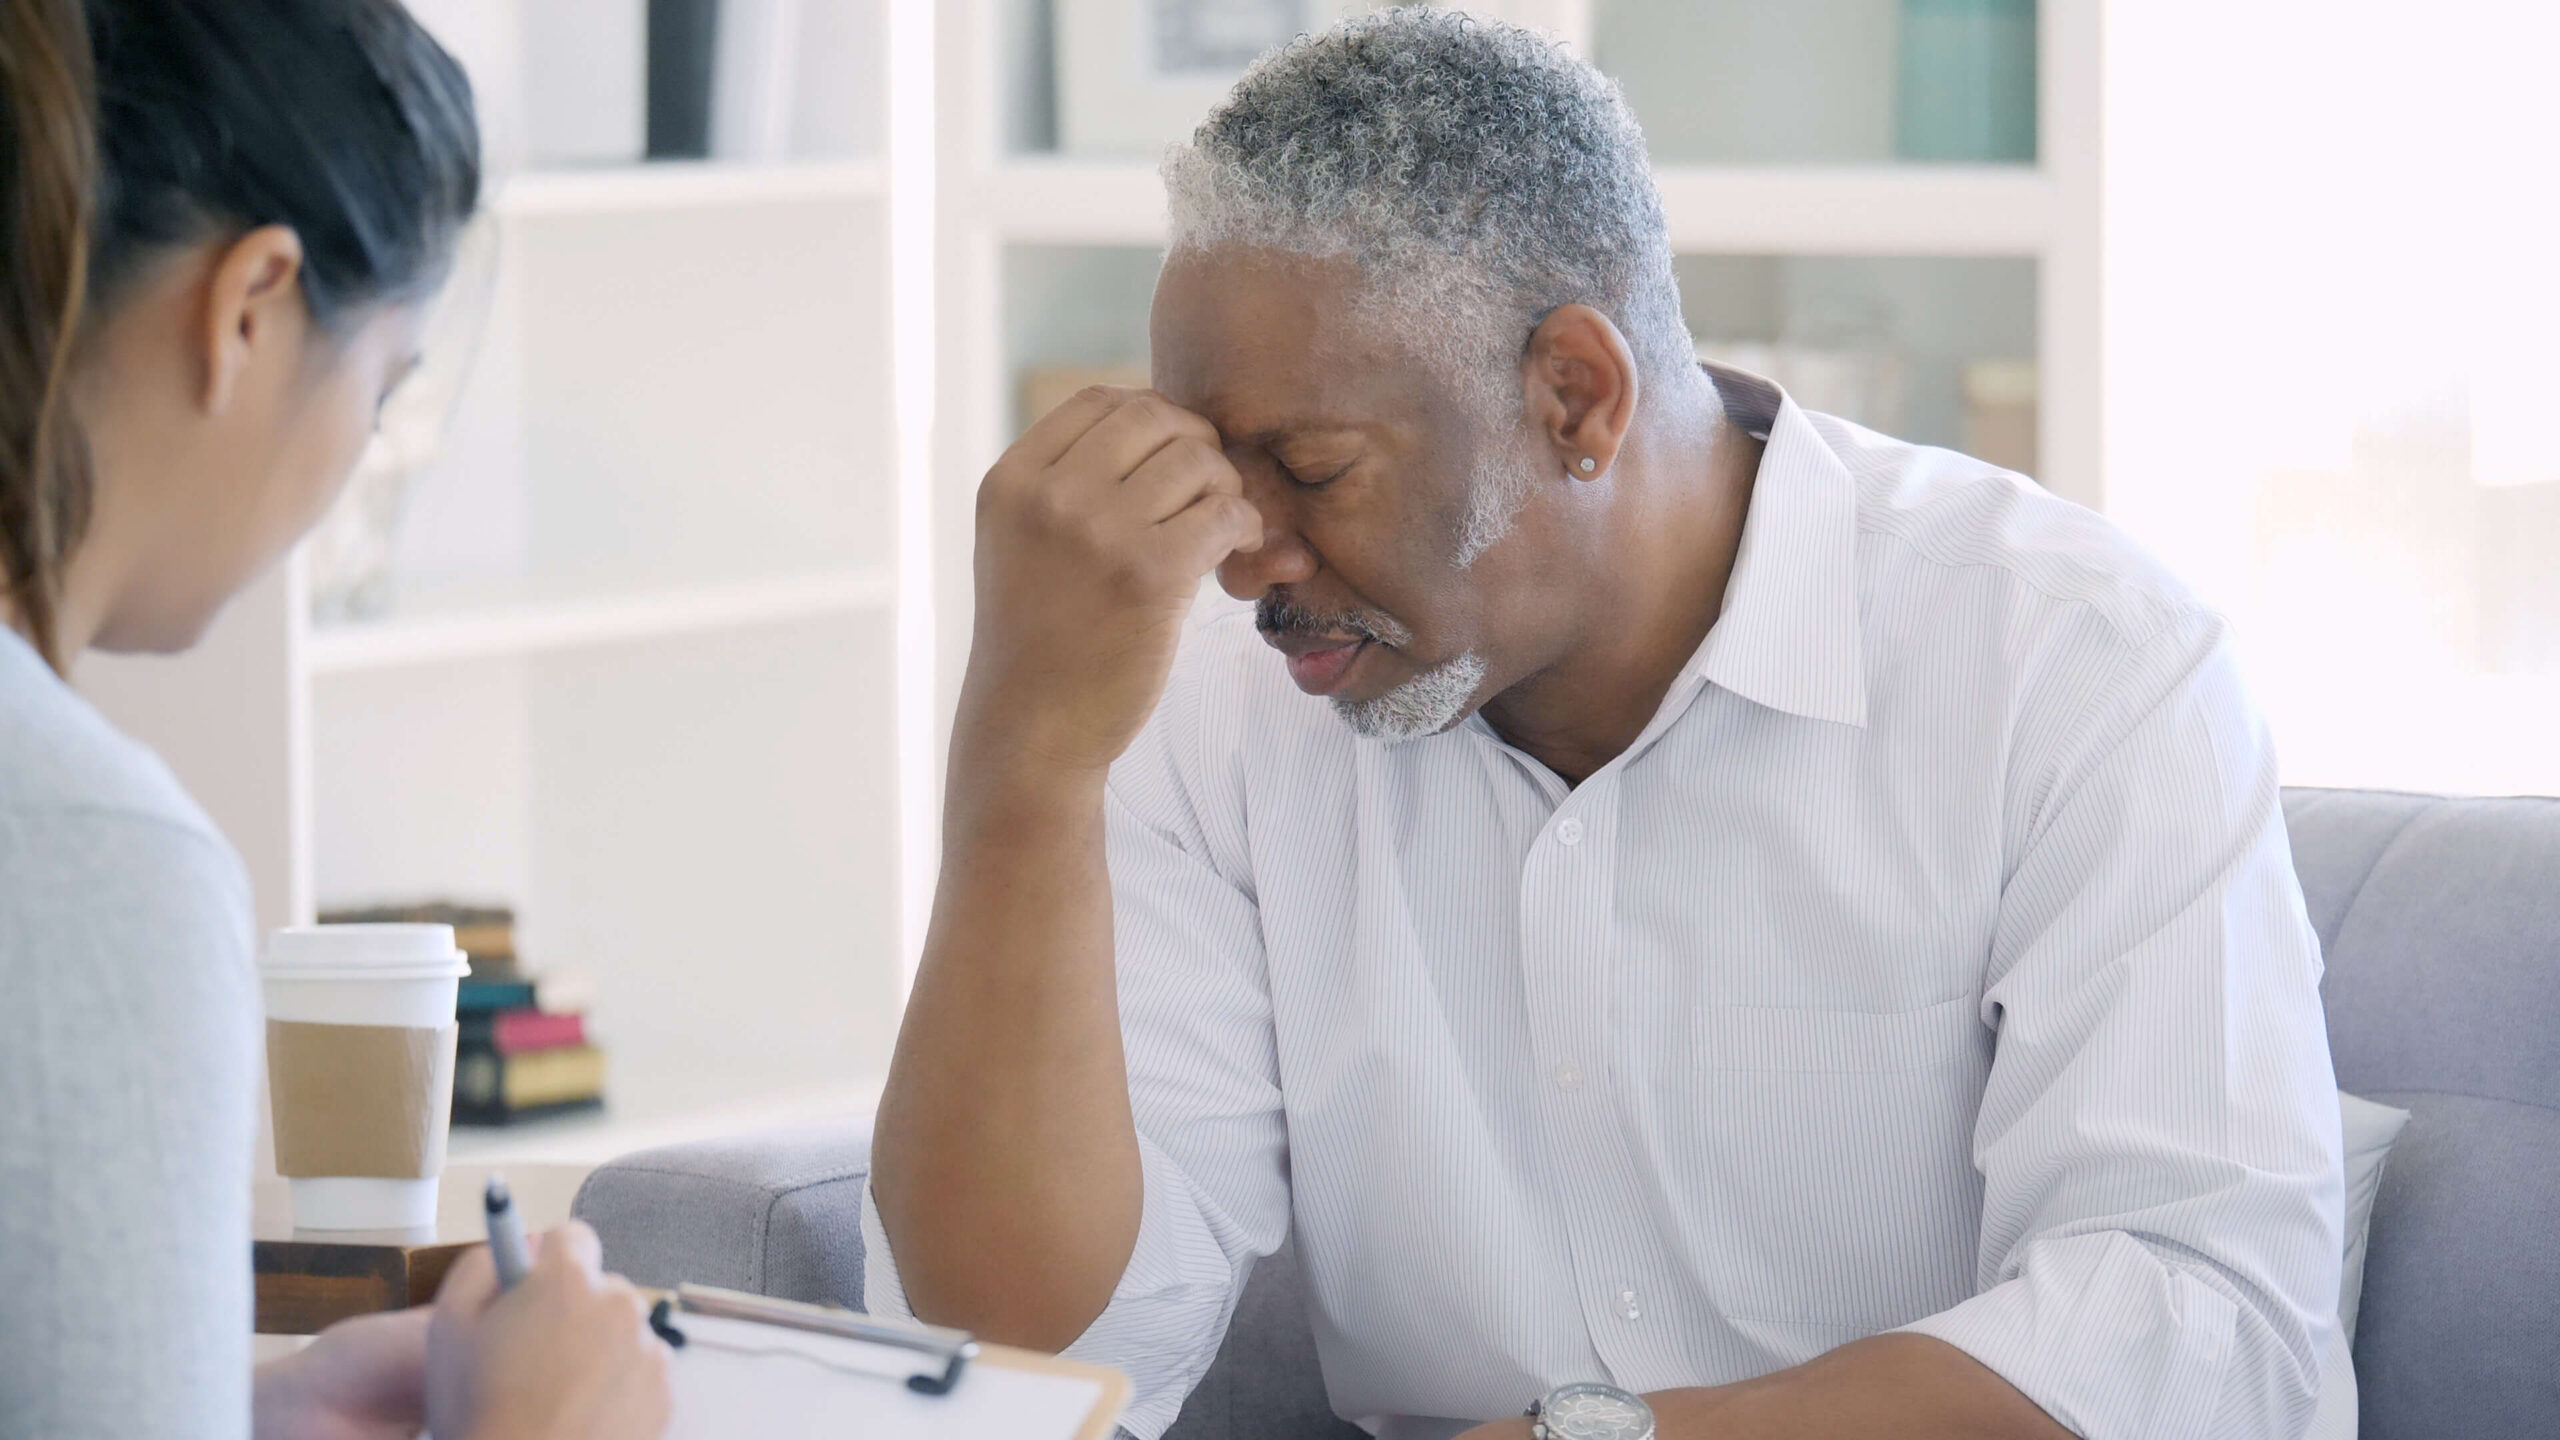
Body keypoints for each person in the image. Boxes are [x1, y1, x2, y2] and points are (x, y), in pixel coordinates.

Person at [870, 11, 2345, 1440]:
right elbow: (1019, 1367)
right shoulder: (1196, 700)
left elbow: (2205, 1330)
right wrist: (1025, 762)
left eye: (1309, 469)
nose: (1243, 557)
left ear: (1577, 394)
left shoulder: (2070, 658)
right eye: (1210, 469)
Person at [0, 2, 670, 1437]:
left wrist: (246, 1409)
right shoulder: (80, 853)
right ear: (248, 308)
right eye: (381, 389)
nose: (352, 465)